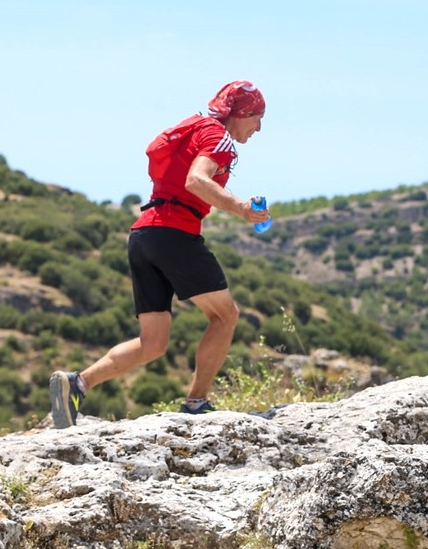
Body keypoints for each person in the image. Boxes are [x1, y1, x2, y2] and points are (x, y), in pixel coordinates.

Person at [49, 80, 270, 428]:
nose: (258, 128)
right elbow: (196, 181)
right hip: (174, 233)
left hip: (144, 235)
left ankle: (77, 383)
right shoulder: (219, 137)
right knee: (225, 316)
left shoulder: (192, 127)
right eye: (257, 117)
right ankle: (197, 404)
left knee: (153, 343)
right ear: (242, 114)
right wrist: (242, 208)